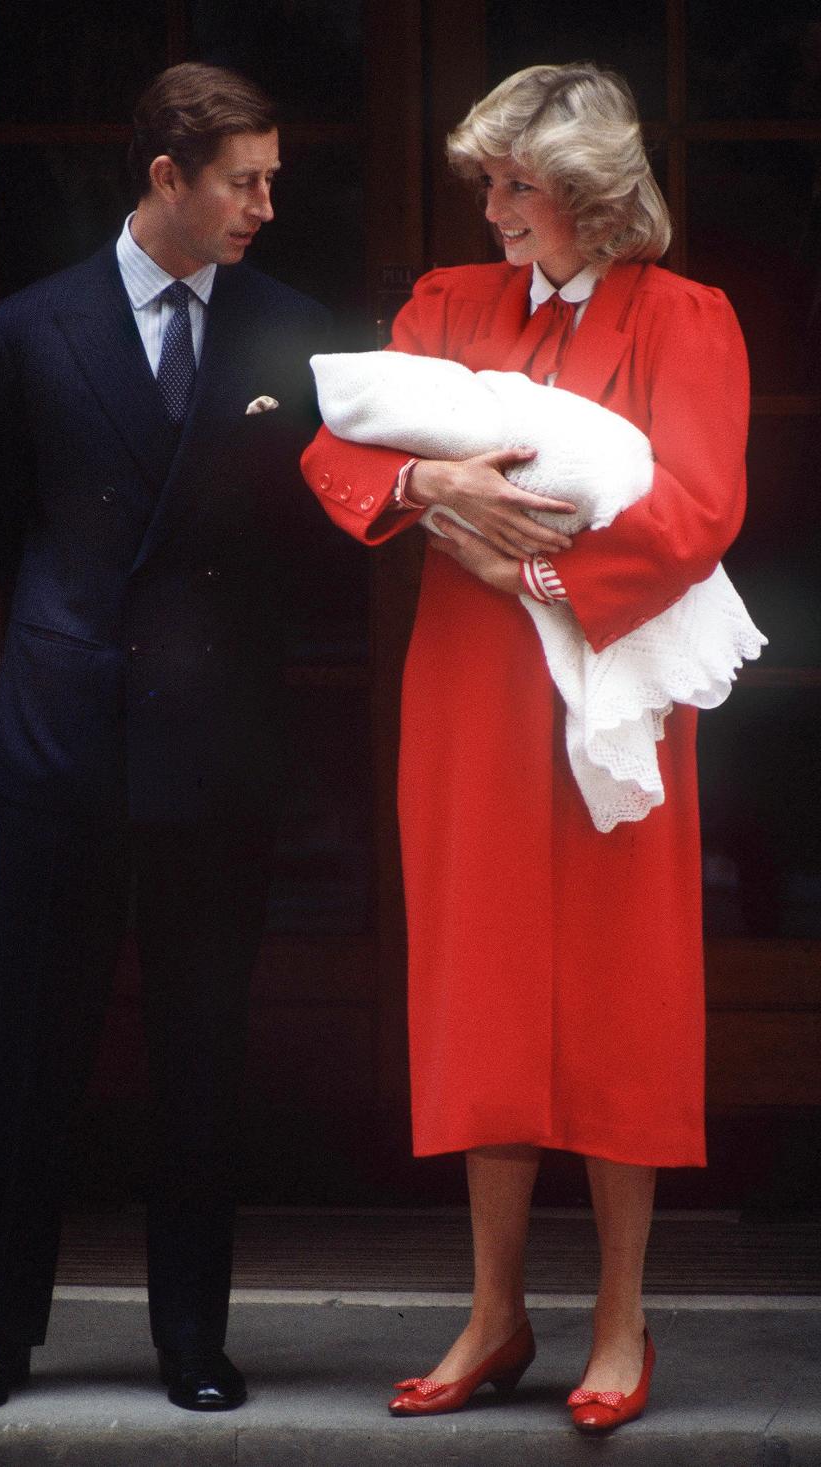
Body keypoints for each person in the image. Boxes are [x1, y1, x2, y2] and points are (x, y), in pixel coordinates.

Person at [302, 62, 749, 1434]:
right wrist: (425, 484)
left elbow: (699, 509)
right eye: (487, 186)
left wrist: (542, 581)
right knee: (482, 985)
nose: (493, 212)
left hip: (612, 692)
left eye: (516, 188)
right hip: (467, 701)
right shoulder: (446, 304)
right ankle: (496, 1313)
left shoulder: (688, 318)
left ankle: (621, 1319)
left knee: (622, 991)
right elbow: (336, 450)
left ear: (593, 198)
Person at [0, 61, 330, 1418]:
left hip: (216, 739)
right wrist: (76, 637)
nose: (269, 205)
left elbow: (312, 536)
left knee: (203, 1051)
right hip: (65, 735)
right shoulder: (30, 330)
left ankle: (191, 1339)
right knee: (30, 1044)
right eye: (246, 179)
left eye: (272, 176)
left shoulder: (292, 331)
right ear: (167, 177)